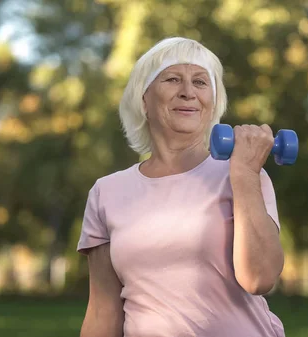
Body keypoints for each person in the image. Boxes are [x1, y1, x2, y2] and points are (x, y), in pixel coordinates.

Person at [77, 36, 286, 337]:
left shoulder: (245, 175)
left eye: (201, 83)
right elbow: (102, 312)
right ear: (143, 99)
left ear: (212, 102)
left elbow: (260, 278)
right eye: (173, 79)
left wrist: (243, 174)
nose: (188, 93)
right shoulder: (106, 193)